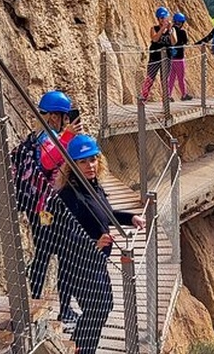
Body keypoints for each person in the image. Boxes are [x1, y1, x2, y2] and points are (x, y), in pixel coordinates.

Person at [52, 134, 146, 354]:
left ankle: (78, 347)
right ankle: (80, 348)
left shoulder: (93, 186)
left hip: (97, 261)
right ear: (72, 165)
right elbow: (61, 234)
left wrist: (130, 218)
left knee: (102, 307)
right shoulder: (69, 195)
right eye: (83, 161)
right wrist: (93, 242)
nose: (90, 165)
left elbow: (105, 213)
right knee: (97, 308)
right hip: (79, 264)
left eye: (93, 159)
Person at [11, 90, 81, 326]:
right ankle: (59, 308)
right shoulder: (48, 137)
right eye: (63, 116)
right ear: (54, 116)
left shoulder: (38, 136)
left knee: (44, 254)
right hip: (48, 208)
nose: (66, 121)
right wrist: (67, 137)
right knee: (63, 256)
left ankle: (34, 301)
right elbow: (47, 162)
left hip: (40, 207)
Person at [140, 6, 176, 101]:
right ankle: (144, 96)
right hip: (155, 57)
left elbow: (174, 42)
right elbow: (154, 39)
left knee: (165, 79)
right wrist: (162, 28)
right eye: (161, 18)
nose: (163, 20)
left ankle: (166, 97)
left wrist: (169, 30)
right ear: (158, 19)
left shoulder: (172, 30)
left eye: (165, 18)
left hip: (166, 57)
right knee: (150, 77)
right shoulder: (154, 28)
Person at [167, 12, 193, 101]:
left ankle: (168, 95)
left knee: (171, 78)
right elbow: (185, 42)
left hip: (171, 58)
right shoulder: (182, 32)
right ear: (181, 23)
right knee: (181, 78)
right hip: (179, 59)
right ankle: (184, 94)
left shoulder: (170, 30)